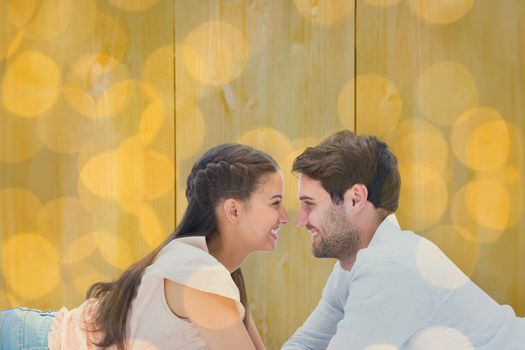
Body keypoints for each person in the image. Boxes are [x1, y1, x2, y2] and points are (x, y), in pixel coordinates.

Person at [0, 143, 288, 350]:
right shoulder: (201, 277)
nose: (285, 216)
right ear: (234, 211)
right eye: (275, 203)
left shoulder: (208, 267)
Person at [282, 130, 525, 349]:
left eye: (309, 204)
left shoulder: (388, 268)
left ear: (355, 198)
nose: (301, 220)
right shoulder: (354, 266)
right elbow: (303, 345)